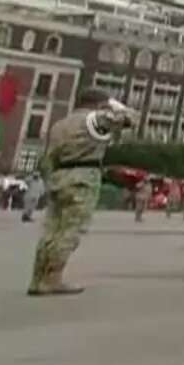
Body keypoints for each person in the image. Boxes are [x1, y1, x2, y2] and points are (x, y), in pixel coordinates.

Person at [28, 90, 136, 296]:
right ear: (98, 104)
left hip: (60, 176)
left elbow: (47, 158)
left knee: (51, 231)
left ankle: (38, 278)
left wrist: (50, 180)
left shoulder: (59, 124)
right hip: (84, 177)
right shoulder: (94, 119)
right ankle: (53, 279)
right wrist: (115, 104)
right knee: (71, 230)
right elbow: (131, 119)